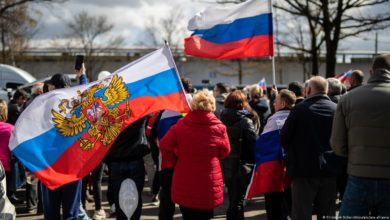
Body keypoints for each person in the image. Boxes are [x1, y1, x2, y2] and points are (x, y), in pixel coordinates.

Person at [331, 54, 390, 217]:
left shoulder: (348, 98)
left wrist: (356, 158)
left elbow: (337, 144)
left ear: (371, 72)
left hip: (359, 176)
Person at [160, 90, 230, 220]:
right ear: (212, 106)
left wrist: (175, 159)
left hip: (184, 178)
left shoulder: (180, 125)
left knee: (188, 216)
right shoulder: (220, 128)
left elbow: (164, 145)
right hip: (209, 181)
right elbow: (225, 151)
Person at [281, 76, 337, 220]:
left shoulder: (299, 109)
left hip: (302, 170)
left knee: (301, 213)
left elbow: (284, 138)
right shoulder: (336, 109)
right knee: (327, 214)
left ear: (308, 90)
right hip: (330, 168)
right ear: (327, 90)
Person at [41, 73, 83, 220]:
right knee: (71, 212)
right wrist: (82, 76)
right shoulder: (77, 103)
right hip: (73, 165)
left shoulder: (43, 106)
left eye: (50, 85)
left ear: (54, 86)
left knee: (51, 211)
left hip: (51, 165)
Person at [220, 90, 257, 220]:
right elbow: (254, 144)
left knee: (233, 199)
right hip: (242, 166)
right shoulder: (245, 121)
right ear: (242, 104)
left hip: (226, 165)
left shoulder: (221, 119)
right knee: (238, 201)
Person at [259, 89, 295, 220]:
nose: (273, 104)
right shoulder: (298, 116)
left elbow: (264, 144)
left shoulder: (272, 119)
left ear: (284, 103)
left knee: (274, 207)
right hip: (294, 171)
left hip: (275, 171)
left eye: (276, 101)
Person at [105, 115, 150, 220]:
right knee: (136, 201)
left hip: (116, 162)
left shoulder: (110, 116)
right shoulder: (141, 114)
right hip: (134, 160)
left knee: (119, 201)